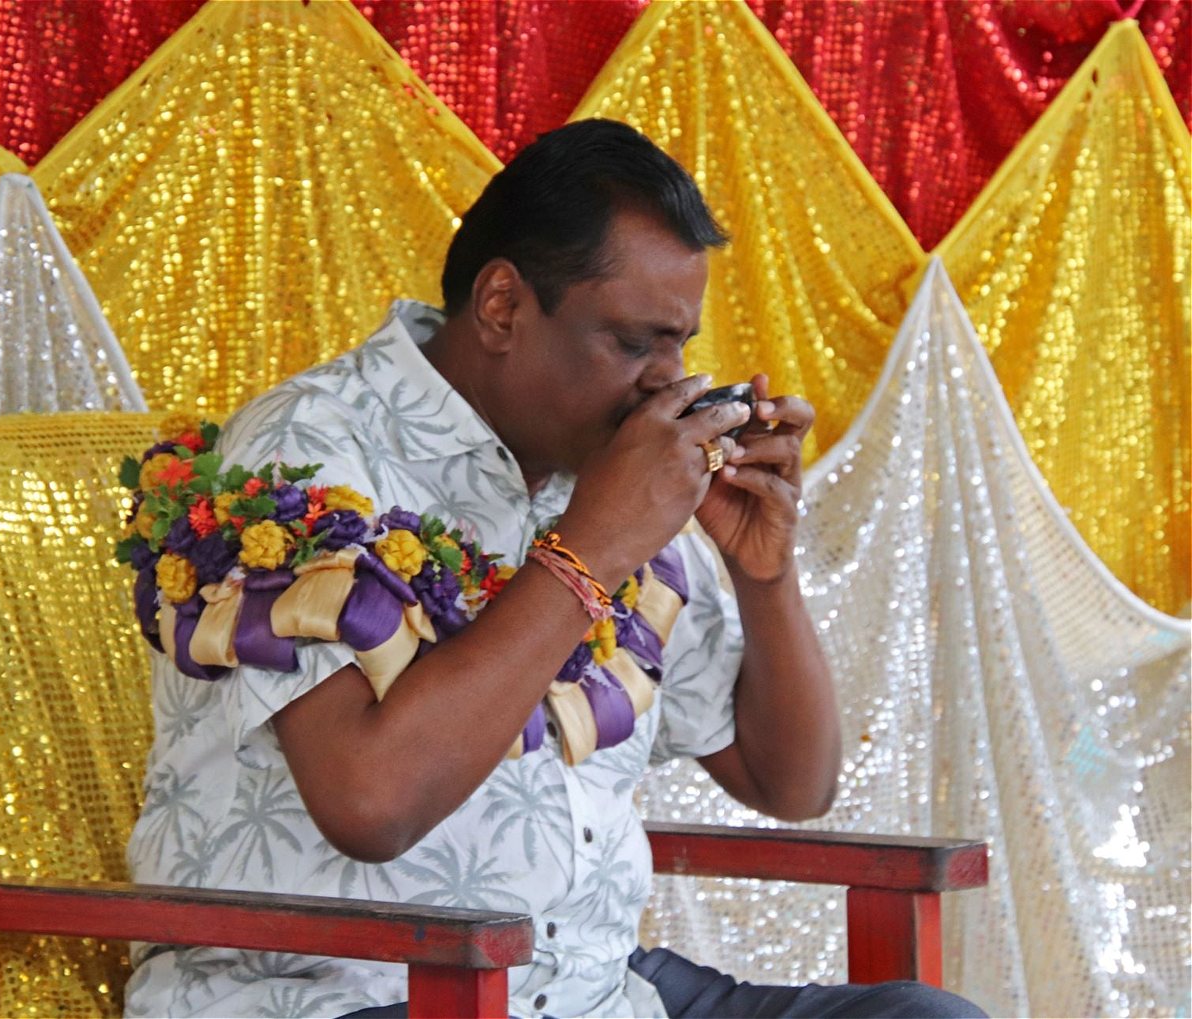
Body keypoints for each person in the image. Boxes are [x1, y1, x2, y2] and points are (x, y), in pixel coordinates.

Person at [125, 118, 983, 1018]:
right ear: (502, 305)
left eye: (680, 345)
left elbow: (790, 783)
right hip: (347, 994)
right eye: (635, 343)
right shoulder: (306, 451)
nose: (670, 382)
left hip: (596, 990)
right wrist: (592, 548)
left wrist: (763, 575)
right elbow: (370, 803)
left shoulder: (606, 470)